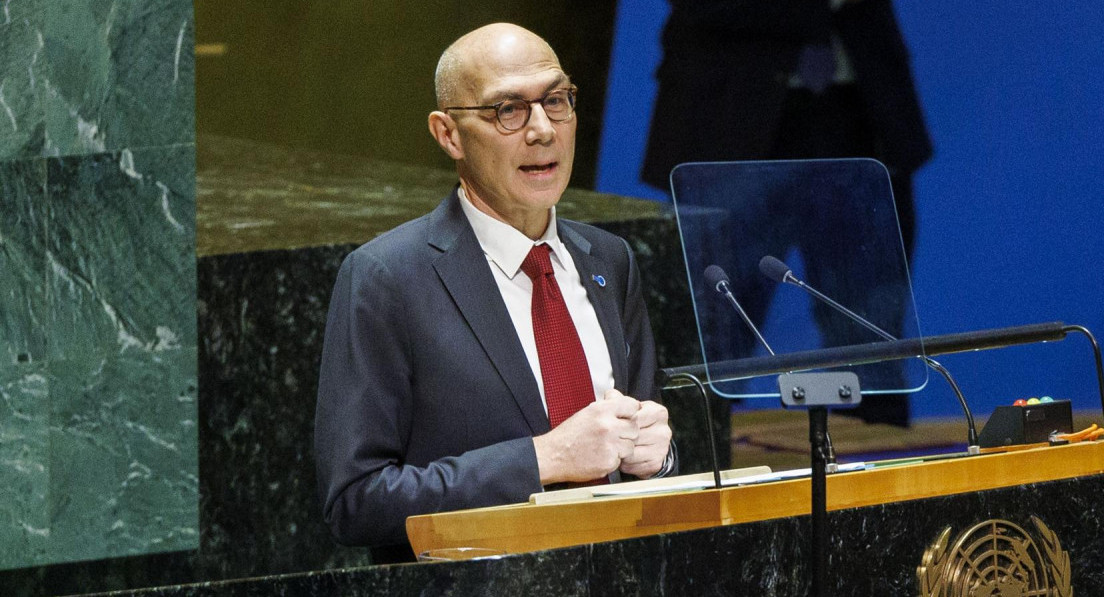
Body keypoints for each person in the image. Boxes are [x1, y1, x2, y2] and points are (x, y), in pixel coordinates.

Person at [314, 23, 676, 563]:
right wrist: (542, 460)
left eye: (556, 101)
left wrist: (661, 458)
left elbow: (644, 440)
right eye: (508, 109)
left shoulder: (610, 261)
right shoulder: (386, 278)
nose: (542, 130)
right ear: (448, 134)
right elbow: (355, 502)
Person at [642, 0, 933, 425]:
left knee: (873, 342)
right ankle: (696, 479)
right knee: (709, 343)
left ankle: (884, 484)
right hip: (728, 118)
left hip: (861, 116)